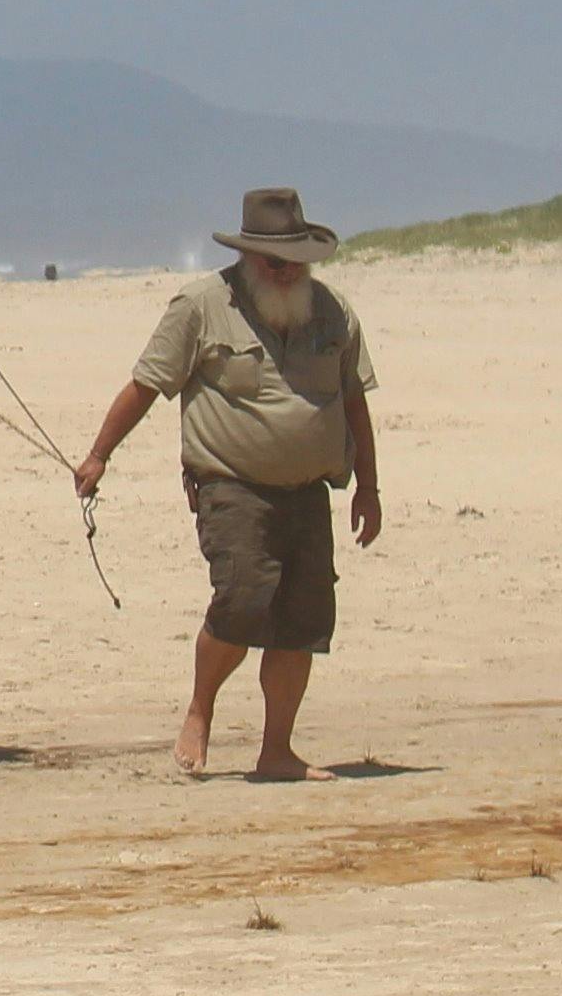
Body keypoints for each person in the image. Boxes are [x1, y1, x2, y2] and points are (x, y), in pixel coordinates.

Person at [73, 189, 383, 780]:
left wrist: (368, 488)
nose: (285, 271)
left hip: (309, 490)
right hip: (230, 485)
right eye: (273, 261)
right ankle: (200, 709)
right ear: (248, 256)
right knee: (242, 601)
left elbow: (354, 403)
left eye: (294, 260)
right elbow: (146, 385)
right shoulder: (202, 305)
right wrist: (98, 456)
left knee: (303, 622)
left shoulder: (333, 312)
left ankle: (277, 751)